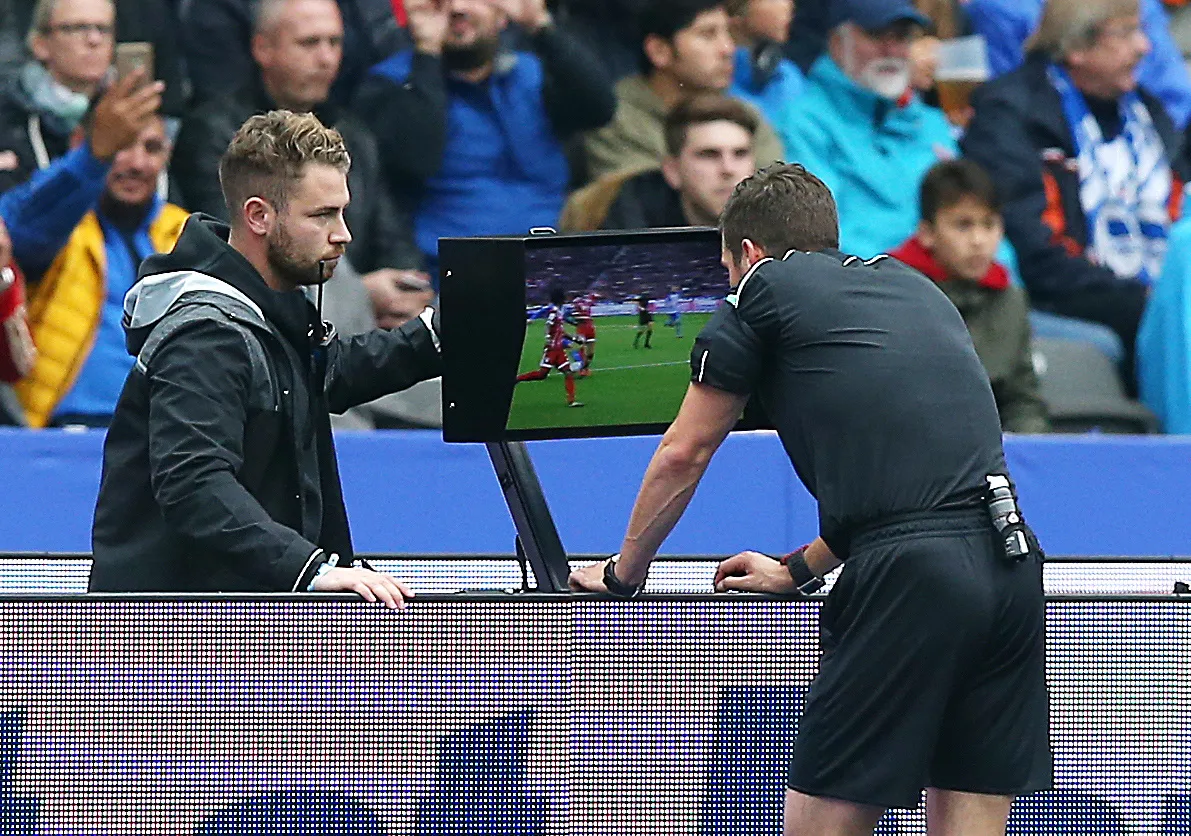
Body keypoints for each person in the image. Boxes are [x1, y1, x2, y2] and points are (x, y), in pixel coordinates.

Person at [570, 162, 1052, 835]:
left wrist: (625, 572)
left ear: (746, 254)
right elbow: (912, 487)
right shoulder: (914, 286)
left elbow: (685, 451)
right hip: (1009, 566)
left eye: (726, 270)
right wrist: (797, 569)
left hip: (914, 578)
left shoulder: (760, 288)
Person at [89, 110, 443, 604]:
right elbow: (194, 483)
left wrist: (442, 334)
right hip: (171, 644)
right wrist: (310, 570)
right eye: (322, 215)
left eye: (341, 212)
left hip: (236, 623)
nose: (344, 234)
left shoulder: (267, 311)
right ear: (259, 216)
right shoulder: (204, 334)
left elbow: (330, 371)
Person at [961, 0, 1185, 393]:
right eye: (1126, 33)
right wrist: (1146, 296)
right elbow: (1038, 254)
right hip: (1064, 293)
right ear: (1077, 48)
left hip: (1153, 287)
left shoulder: (1147, 114)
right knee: (1174, 316)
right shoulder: (1012, 115)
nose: (1144, 48)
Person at [172, 0, 427, 321]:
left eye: (334, 42)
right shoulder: (215, 134)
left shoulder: (354, 134)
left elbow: (392, 235)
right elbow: (235, 252)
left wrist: (404, 285)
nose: (326, 58)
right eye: (309, 43)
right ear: (262, 48)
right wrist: (358, 295)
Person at [353, 0, 616, 275]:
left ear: (502, 14)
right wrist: (427, 53)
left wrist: (540, 26)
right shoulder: (391, 82)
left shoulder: (529, 73)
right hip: (450, 272)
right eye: (441, 2)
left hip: (553, 258)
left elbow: (601, 109)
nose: (457, 8)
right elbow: (417, 160)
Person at [3, 113, 187, 428]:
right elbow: (16, 228)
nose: (137, 163)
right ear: (83, 143)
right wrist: (90, 159)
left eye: (152, 148)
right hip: (61, 434)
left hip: (162, 434)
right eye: (122, 146)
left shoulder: (185, 233)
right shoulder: (57, 227)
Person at [778, 0, 957, 259]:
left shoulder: (931, 123)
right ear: (837, 43)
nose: (892, 49)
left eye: (902, 37)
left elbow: (976, 217)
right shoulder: (804, 123)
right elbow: (818, 238)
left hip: (953, 287)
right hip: (868, 287)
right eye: (876, 35)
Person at [891, 159, 1051, 434]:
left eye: (989, 225)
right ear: (927, 233)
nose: (978, 240)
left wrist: (1030, 449)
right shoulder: (892, 293)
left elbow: (1022, 400)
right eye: (963, 225)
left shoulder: (1010, 301)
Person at [582, 0, 782, 182]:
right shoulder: (613, 118)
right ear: (659, 50)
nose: (728, 49)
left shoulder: (744, 113)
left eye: (728, 34)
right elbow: (640, 203)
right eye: (707, 34)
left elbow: (777, 190)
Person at [562, 92, 758, 233]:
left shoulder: (778, 220)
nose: (728, 169)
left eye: (740, 154)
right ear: (672, 171)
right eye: (709, 155)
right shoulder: (632, 218)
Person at [515, 288, 584, 407]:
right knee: (542, 374)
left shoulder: (559, 312)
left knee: (568, 373)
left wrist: (574, 338)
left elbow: (560, 331)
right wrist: (548, 337)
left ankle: (572, 401)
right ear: (561, 299)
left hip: (559, 350)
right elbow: (548, 324)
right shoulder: (554, 311)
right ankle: (517, 379)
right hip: (552, 349)